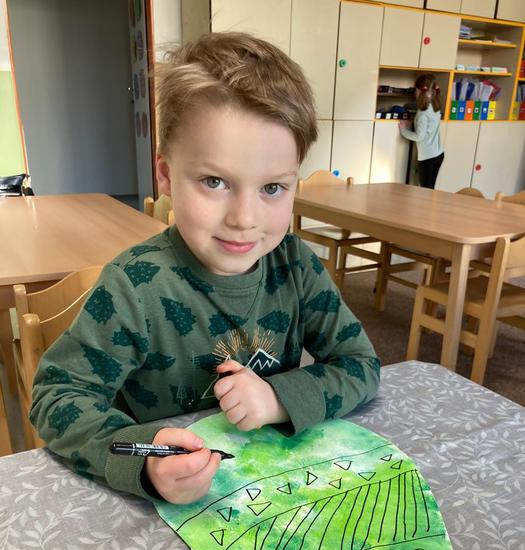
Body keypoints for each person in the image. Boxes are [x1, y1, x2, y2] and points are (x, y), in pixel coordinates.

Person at [30, 32, 380, 505]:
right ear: (166, 175)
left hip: (271, 495)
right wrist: (145, 461)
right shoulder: (134, 286)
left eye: (273, 188)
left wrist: (277, 398)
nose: (244, 219)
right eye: (215, 181)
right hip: (166, 511)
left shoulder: (297, 266)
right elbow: (57, 396)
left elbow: (360, 365)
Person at [399, 73, 444, 189]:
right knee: (430, 189)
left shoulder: (422, 114)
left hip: (427, 157)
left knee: (425, 191)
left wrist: (403, 130)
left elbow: (419, 136)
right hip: (438, 154)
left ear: (418, 91)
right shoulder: (435, 106)